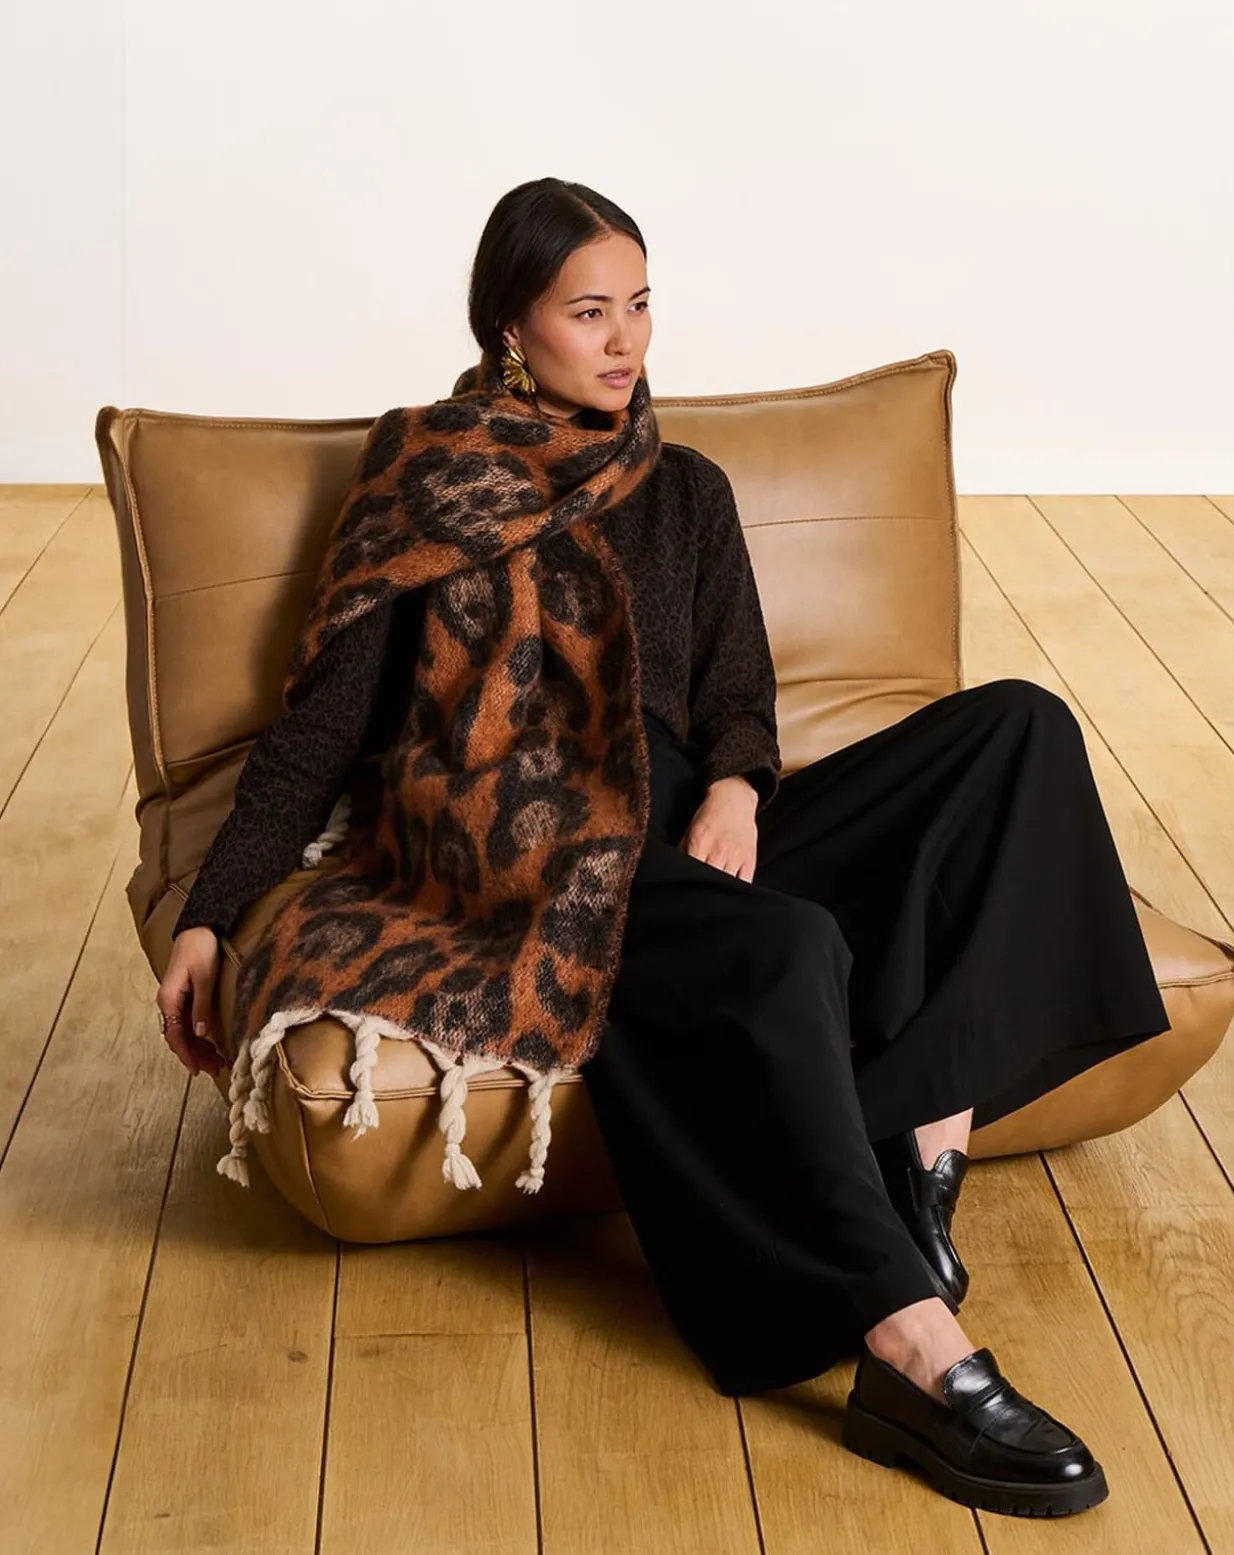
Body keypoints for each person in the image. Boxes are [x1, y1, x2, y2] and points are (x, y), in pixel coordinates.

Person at [155, 177, 1170, 1519]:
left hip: (686, 820)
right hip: (531, 848)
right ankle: (912, 1351)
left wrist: (740, 787)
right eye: (589, 312)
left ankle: (926, 1126)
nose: (626, 338)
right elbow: (322, 730)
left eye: (639, 304)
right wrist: (211, 910)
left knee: (1019, 732)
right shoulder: (424, 479)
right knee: (790, 947)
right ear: (512, 327)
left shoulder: (684, 487)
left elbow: (737, 691)